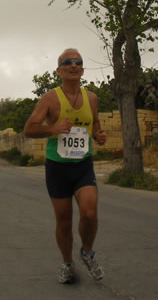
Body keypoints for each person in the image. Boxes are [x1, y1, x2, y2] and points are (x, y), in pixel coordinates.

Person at [24, 48, 107, 284]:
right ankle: (67, 264)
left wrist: (99, 136)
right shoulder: (50, 99)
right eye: (68, 62)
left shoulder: (91, 98)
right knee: (64, 220)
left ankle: (87, 253)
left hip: (83, 165)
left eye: (78, 62)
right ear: (59, 70)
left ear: (82, 69)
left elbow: (95, 127)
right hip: (57, 168)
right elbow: (29, 129)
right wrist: (53, 128)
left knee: (89, 212)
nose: (74, 65)